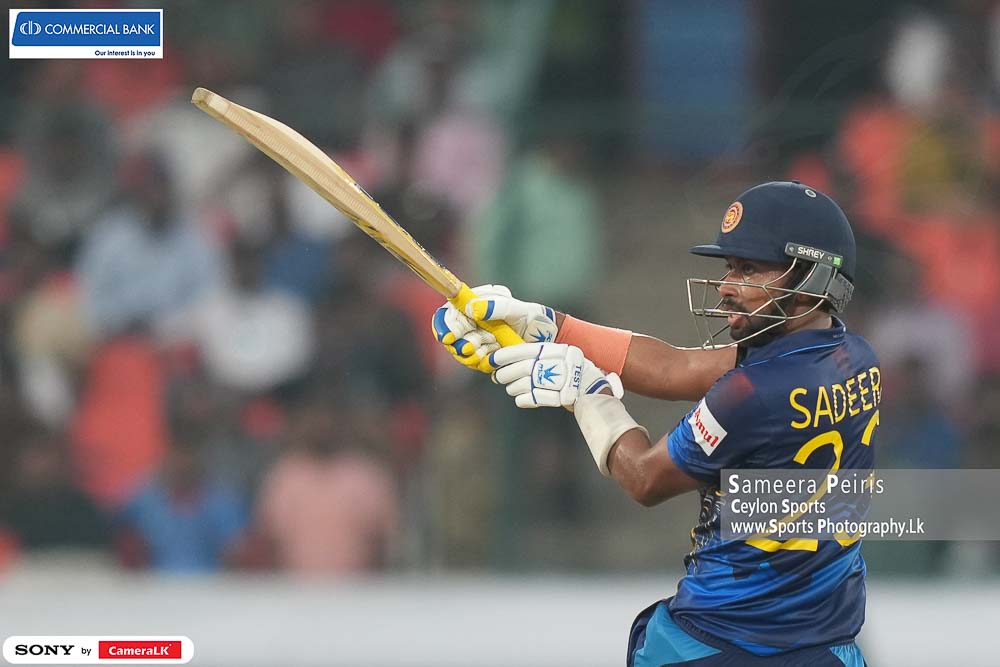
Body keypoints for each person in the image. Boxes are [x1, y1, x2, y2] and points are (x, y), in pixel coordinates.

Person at [432, 181, 875, 666]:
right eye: (729, 267)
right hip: (826, 647)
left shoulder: (749, 394)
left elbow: (644, 477)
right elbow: (675, 367)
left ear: (811, 278)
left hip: (718, 644)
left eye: (748, 269)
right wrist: (554, 327)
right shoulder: (855, 358)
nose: (726, 287)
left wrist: (588, 396)